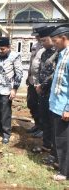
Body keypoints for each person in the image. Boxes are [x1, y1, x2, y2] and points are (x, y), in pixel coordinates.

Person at [0, 37, 23, 144]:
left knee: (5, 113)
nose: (0, 51)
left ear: (8, 47)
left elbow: (19, 74)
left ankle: (6, 133)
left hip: (6, 90)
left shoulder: (15, 56)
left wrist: (14, 89)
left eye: (3, 49)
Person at [32, 26, 58, 158]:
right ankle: (46, 145)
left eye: (44, 41)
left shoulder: (58, 53)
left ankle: (55, 149)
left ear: (51, 39)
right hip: (42, 92)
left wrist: (43, 85)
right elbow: (41, 70)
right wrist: (37, 84)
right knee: (44, 119)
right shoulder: (44, 52)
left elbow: (55, 74)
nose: (42, 43)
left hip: (52, 93)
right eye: (41, 41)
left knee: (53, 121)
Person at [49, 25, 69, 181]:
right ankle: (61, 164)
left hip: (64, 107)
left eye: (55, 41)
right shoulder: (62, 54)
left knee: (64, 141)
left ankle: (65, 172)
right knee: (59, 139)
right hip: (57, 105)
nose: (53, 43)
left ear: (64, 38)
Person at [26, 24, 47, 138]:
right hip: (31, 81)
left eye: (38, 35)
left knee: (42, 106)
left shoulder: (49, 47)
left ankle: (43, 128)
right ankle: (37, 125)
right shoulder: (35, 46)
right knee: (31, 103)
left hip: (40, 82)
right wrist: (28, 76)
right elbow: (32, 62)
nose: (36, 38)